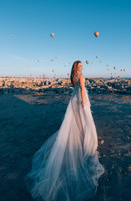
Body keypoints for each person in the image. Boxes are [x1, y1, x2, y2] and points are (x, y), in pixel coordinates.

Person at [24, 60, 105, 201]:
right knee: (84, 120)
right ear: (77, 67)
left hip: (73, 100)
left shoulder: (73, 76)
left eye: (81, 66)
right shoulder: (81, 76)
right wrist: (84, 103)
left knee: (75, 121)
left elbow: (76, 88)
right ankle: (86, 141)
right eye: (79, 66)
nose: (81, 67)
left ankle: (79, 137)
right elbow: (81, 88)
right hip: (80, 99)